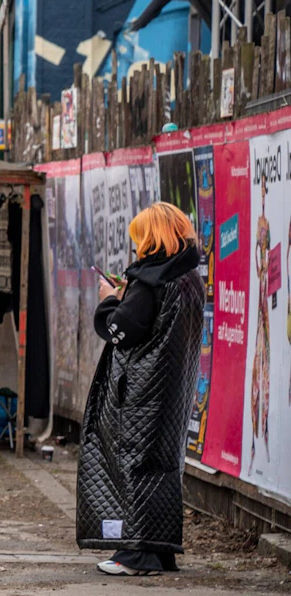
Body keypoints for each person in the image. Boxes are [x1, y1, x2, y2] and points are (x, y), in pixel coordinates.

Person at [79, 202, 203, 576]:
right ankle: (159, 551)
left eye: (139, 239)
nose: (136, 248)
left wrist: (109, 300)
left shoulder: (150, 282)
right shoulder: (189, 278)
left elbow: (120, 331)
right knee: (162, 468)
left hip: (141, 393)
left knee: (132, 465)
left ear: (151, 238)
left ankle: (135, 554)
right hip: (173, 392)